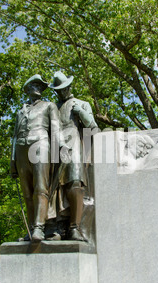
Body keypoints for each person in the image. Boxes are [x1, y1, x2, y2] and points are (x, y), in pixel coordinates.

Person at [10, 75, 60, 242]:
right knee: (27, 192)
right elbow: (15, 136)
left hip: (40, 143)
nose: (37, 87)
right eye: (34, 84)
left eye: (40, 85)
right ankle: (31, 229)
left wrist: (57, 152)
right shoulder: (20, 111)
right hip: (21, 149)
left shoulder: (49, 106)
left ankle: (39, 227)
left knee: (40, 188)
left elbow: (55, 130)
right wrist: (12, 161)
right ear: (28, 88)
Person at [49, 71, 98, 241]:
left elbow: (94, 129)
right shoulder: (52, 108)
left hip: (75, 145)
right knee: (54, 188)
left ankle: (75, 227)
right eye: (58, 90)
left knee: (75, 183)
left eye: (64, 88)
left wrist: (82, 114)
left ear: (69, 86)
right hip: (56, 147)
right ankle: (57, 228)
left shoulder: (82, 104)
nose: (61, 92)